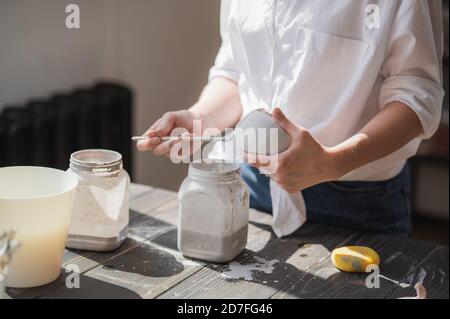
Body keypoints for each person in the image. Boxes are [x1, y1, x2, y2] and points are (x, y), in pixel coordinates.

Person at [137, 0, 444, 237]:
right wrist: (198, 117)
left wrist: (333, 161)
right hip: (250, 185)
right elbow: (236, 73)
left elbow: (417, 95)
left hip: (355, 202)